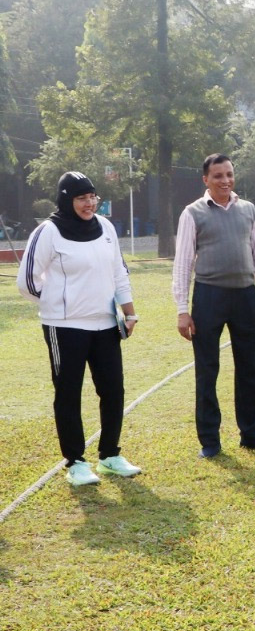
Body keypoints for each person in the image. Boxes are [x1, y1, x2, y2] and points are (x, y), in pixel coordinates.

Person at [17, 172, 142, 486]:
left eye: (92, 196)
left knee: (113, 390)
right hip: (65, 328)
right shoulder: (49, 231)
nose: (89, 203)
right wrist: (60, 304)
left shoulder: (107, 228)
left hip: (105, 325)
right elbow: (27, 282)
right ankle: (75, 462)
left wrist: (129, 312)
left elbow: (119, 273)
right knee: (69, 393)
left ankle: (110, 456)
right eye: (81, 198)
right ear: (66, 199)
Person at [173, 154, 255, 459]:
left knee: (249, 367)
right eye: (218, 176)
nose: (225, 181)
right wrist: (183, 309)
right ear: (205, 180)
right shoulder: (193, 213)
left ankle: (251, 433)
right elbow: (182, 264)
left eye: (229, 174)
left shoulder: (247, 210)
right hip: (208, 297)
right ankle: (210, 440)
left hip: (245, 296)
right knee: (207, 369)